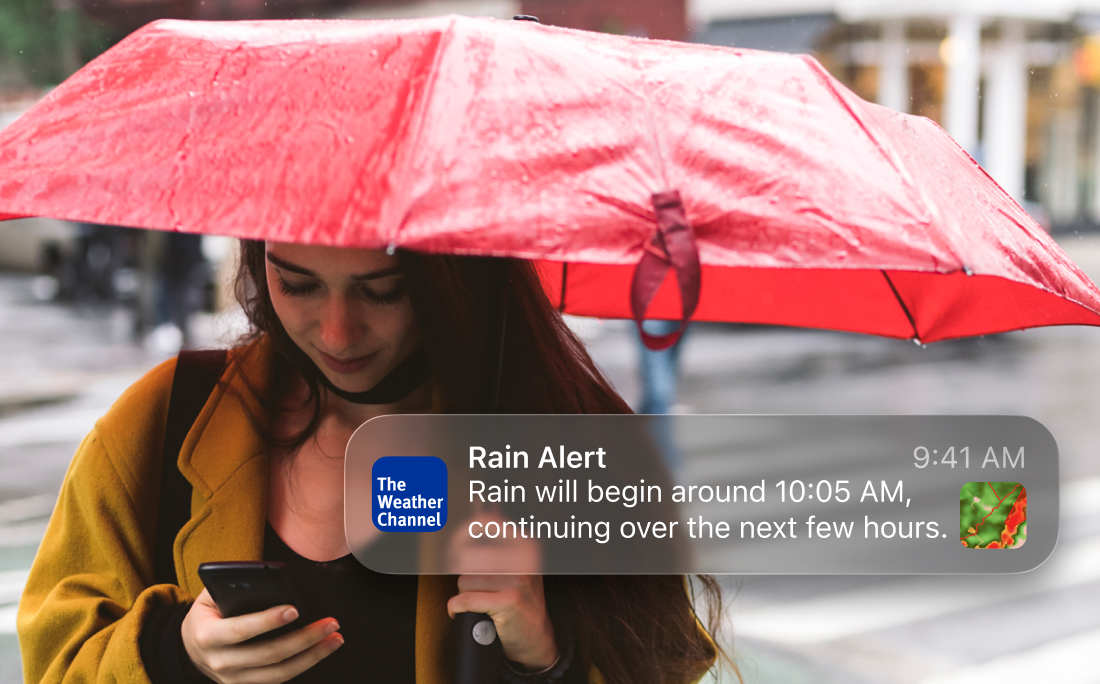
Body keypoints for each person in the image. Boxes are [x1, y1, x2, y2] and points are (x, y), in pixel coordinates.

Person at [18, 240, 725, 684]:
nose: (336, 332)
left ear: (453, 275)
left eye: (381, 290)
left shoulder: (564, 441)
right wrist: (175, 655)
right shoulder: (168, 419)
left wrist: (546, 657)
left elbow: (664, 663)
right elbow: (55, 653)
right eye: (297, 284)